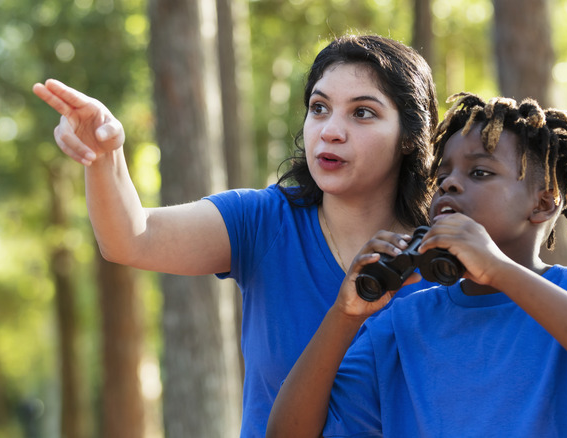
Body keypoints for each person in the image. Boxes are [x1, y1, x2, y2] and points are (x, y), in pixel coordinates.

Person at [33, 34, 439, 437]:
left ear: (409, 136)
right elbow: (130, 238)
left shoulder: (445, 257)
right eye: (319, 108)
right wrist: (105, 156)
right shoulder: (262, 220)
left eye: (362, 113)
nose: (331, 131)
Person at [267, 92, 567, 437]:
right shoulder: (398, 325)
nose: (449, 183)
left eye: (480, 171)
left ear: (544, 202)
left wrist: (498, 269)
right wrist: (344, 315)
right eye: (442, 175)